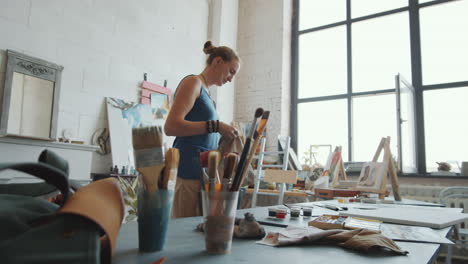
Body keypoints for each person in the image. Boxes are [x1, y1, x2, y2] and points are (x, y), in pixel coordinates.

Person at [164, 41, 240, 218]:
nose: (231, 78)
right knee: (184, 232)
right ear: (217, 62)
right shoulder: (193, 83)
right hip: (187, 171)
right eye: (231, 71)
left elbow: (203, 133)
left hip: (203, 171)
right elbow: (171, 126)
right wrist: (217, 126)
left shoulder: (207, 94)